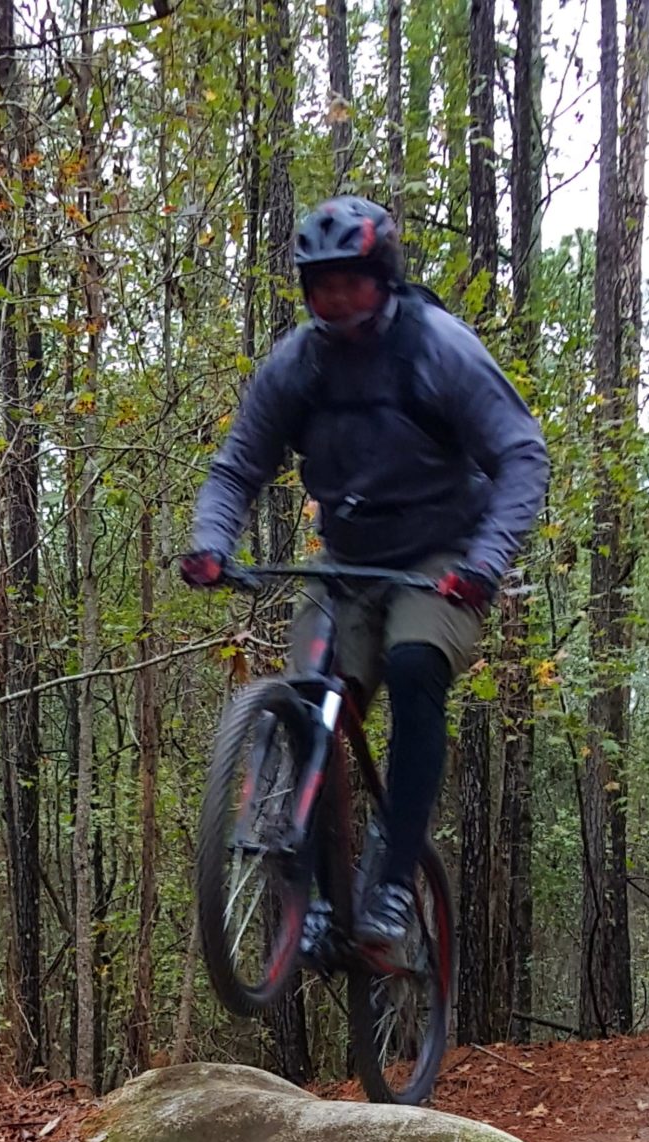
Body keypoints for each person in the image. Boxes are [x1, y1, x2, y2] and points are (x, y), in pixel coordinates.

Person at [181, 195, 549, 960]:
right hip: (346, 562)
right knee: (313, 704)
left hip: (443, 554)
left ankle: (391, 877)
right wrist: (211, 542)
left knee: (416, 667)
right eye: (321, 284)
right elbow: (237, 466)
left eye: (350, 280)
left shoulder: (437, 348)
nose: (335, 297)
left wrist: (485, 565)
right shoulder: (298, 365)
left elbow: (521, 455)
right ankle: (316, 902)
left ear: (382, 278)